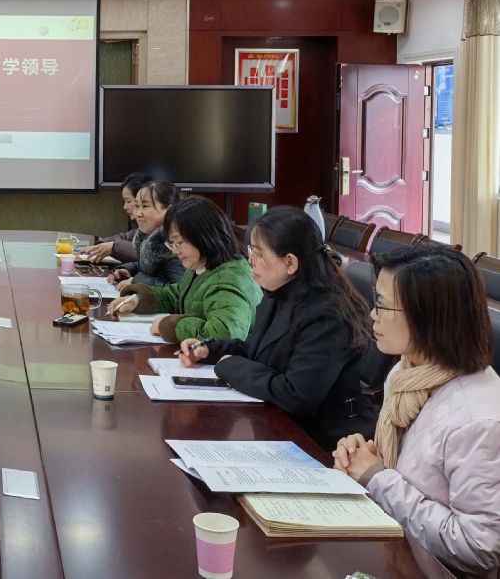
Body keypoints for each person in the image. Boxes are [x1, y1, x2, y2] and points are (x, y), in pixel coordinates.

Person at [333, 246, 500, 576]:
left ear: (427, 316)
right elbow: (410, 472)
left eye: (382, 305)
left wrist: (377, 478)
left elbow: (478, 549)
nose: (373, 315)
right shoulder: (406, 372)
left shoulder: (478, 421)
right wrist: (362, 457)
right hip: (394, 549)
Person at [178, 206, 377, 450]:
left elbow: (297, 395)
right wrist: (211, 350)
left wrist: (229, 366)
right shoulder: (279, 294)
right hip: (280, 423)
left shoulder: (325, 314)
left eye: (259, 253)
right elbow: (259, 350)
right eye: (250, 251)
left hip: (324, 441)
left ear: (290, 262)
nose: (250, 260)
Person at [108, 196, 260, 345]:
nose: (175, 250)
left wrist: (172, 326)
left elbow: (225, 335)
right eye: (172, 243)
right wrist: (137, 300)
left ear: (204, 237)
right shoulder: (201, 266)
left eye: (179, 242)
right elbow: (178, 295)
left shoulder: (229, 280)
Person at [108, 180, 184, 288]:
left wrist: (138, 281)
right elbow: (152, 270)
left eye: (145, 206)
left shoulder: (176, 244)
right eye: (136, 206)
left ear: (169, 210)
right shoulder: (148, 236)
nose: (138, 213)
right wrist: (129, 269)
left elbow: (179, 290)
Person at [80, 172, 152, 263]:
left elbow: (151, 255)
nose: (125, 207)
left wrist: (115, 247)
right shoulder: (144, 227)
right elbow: (129, 236)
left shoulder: (166, 227)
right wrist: (100, 245)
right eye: (137, 206)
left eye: (128, 202)